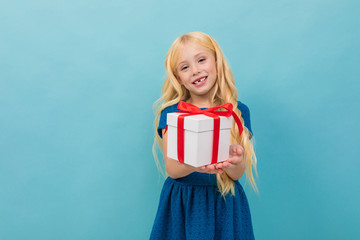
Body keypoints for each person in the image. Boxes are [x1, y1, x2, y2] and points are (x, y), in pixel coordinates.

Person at [150, 32, 258, 240]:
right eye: (185, 67)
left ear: (216, 61)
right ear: (178, 78)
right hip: (183, 202)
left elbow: (236, 175)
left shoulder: (237, 111)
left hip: (224, 202)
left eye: (201, 60)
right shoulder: (173, 113)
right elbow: (172, 168)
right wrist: (195, 165)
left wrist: (234, 161)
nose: (195, 70)